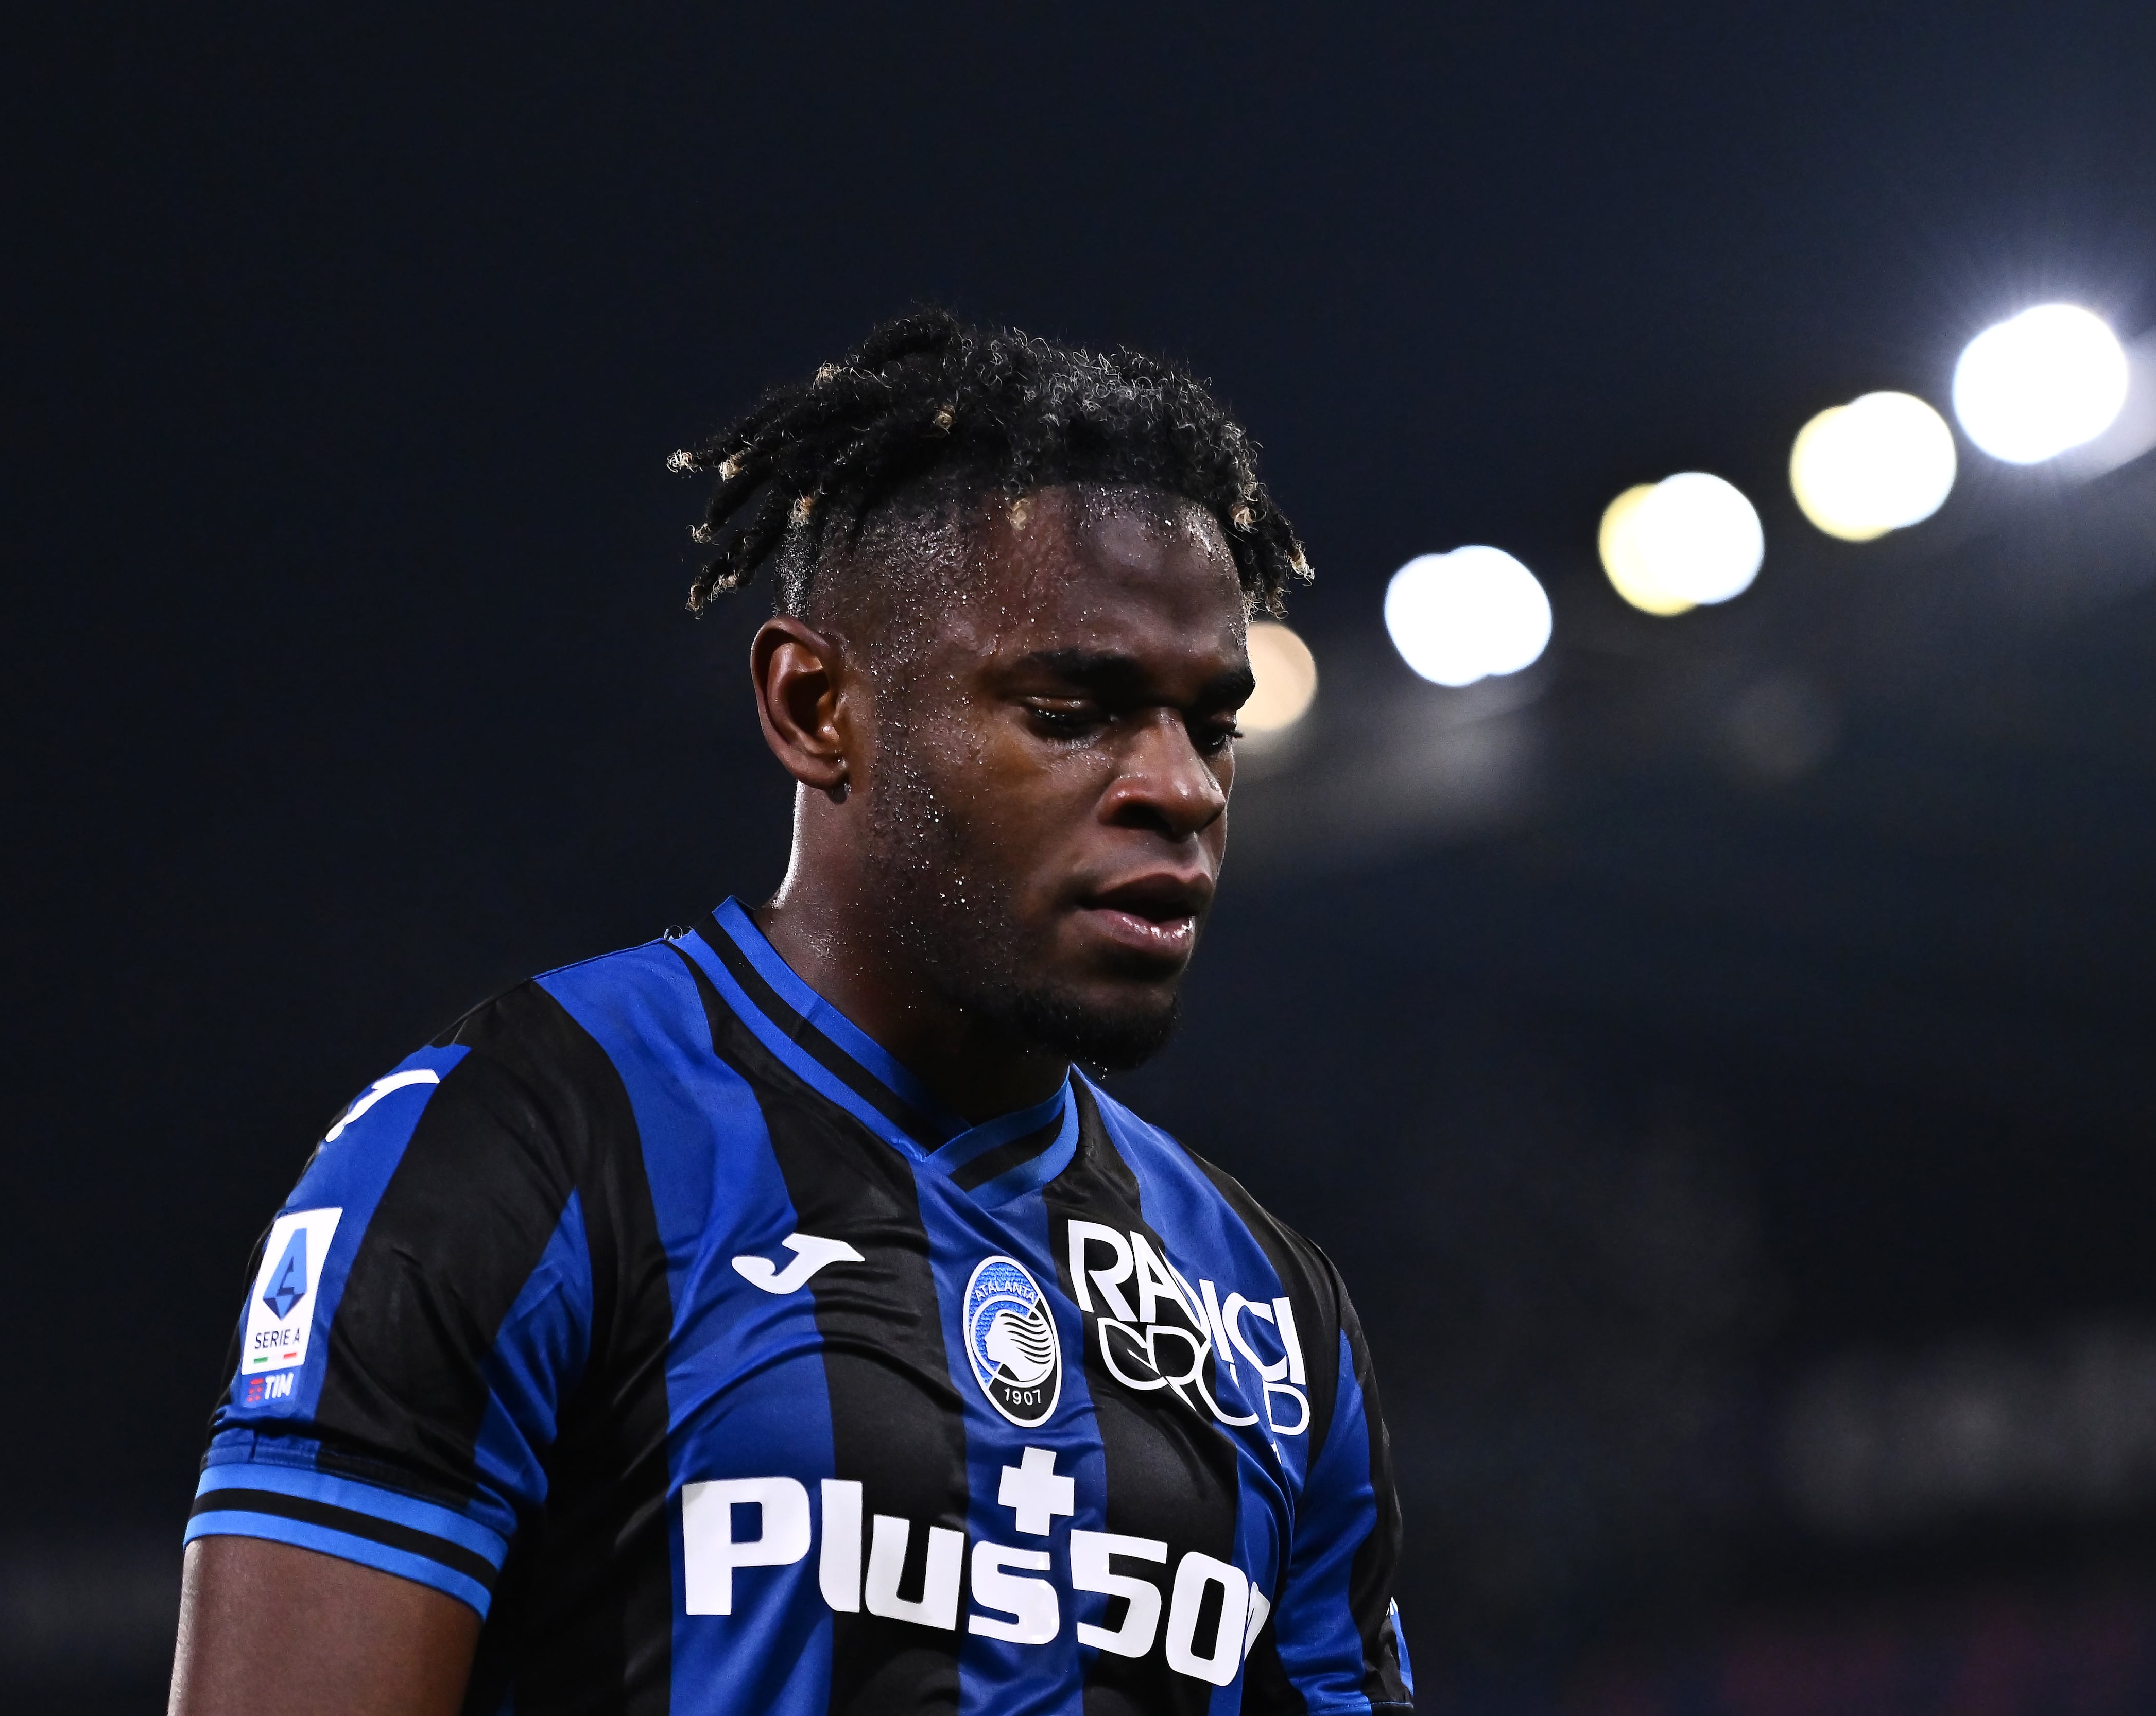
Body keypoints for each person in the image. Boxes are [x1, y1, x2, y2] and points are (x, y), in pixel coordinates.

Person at [167, 308, 1413, 1716]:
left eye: (1214, 723)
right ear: (817, 704)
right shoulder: (520, 1154)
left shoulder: (1267, 1311)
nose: (1183, 788)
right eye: (1077, 709)